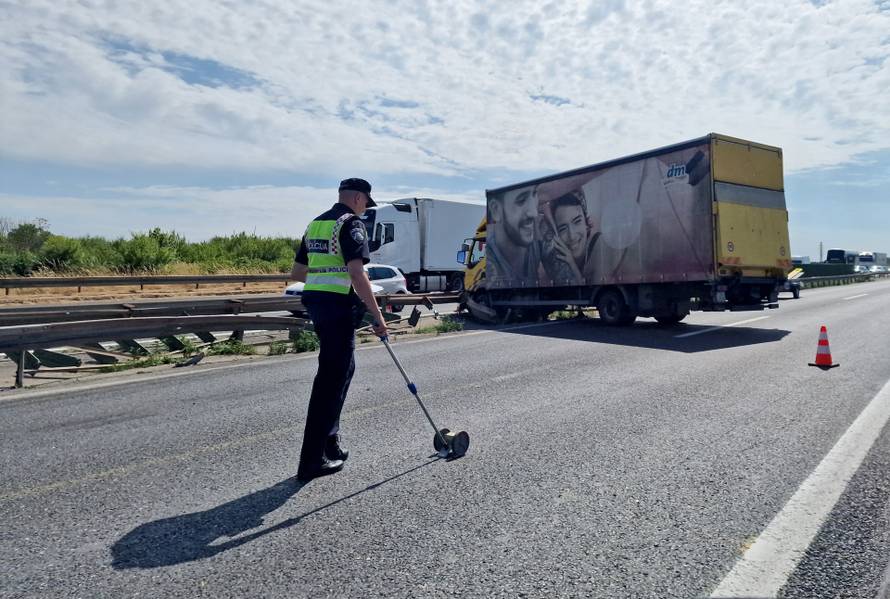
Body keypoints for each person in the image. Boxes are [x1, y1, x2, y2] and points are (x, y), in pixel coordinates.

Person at [291, 178, 388, 481]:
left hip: (317, 304)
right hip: (336, 307)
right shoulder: (351, 224)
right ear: (358, 198)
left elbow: (298, 272)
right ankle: (311, 461)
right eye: (366, 203)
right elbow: (357, 274)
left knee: (344, 371)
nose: (365, 208)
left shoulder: (315, 224)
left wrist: (327, 278)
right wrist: (377, 316)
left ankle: (329, 443)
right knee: (330, 381)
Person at [542, 191, 598, 285]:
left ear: (586, 223)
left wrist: (572, 264)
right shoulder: (558, 258)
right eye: (563, 229)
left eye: (577, 222)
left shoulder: (598, 246)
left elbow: (584, 290)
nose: (571, 236)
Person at [487, 188, 542, 284]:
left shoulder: (539, 238)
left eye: (534, 194)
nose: (534, 213)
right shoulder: (489, 261)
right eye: (521, 200)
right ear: (496, 209)